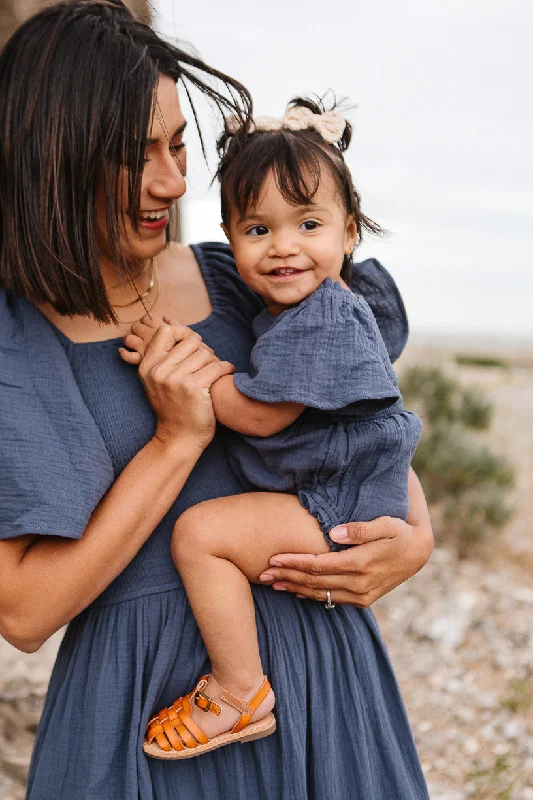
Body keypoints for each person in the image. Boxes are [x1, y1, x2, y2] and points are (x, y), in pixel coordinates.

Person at [0, 1, 433, 798]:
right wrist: (175, 441)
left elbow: (351, 408)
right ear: (50, 157)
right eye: (138, 154)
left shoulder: (240, 273)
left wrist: (412, 529)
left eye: (176, 144)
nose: (173, 180)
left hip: (317, 671)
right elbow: (23, 611)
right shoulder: (15, 337)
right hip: (141, 702)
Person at [124, 98, 423, 759]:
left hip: (334, 506)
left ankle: (238, 691)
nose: (283, 246)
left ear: (349, 234)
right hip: (338, 488)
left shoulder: (321, 317)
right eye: (257, 229)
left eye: (308, 224)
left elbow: (261, 415)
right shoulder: (333, 303)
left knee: (201, 535)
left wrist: (192, 369)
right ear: (229, 236)